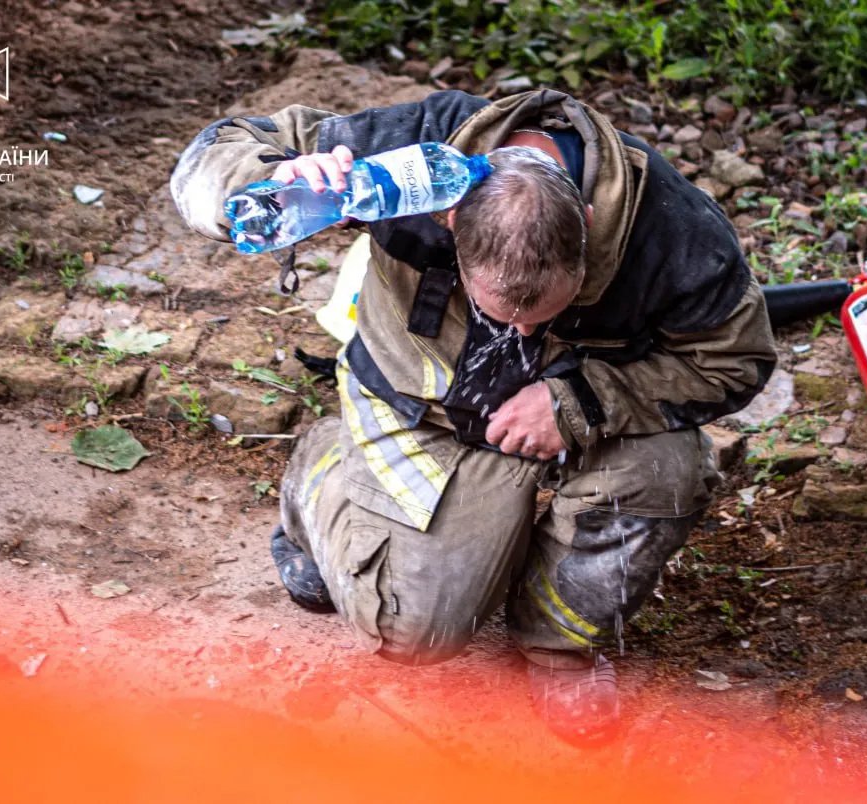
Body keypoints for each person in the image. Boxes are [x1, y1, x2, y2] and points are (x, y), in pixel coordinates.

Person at [170, 88, 777, 745]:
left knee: (670, 469)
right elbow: (206, 158)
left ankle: (558, 646)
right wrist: (271, 177)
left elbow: (736, 360)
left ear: (591, 222)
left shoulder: (671, 231)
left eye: (541, 315)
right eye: (498, 313)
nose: (515, 333)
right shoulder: (407, 157)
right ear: (451, 220)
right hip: (423, 410)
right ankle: (320, 470)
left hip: (570, 416)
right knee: (412, 631)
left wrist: (580, 401)